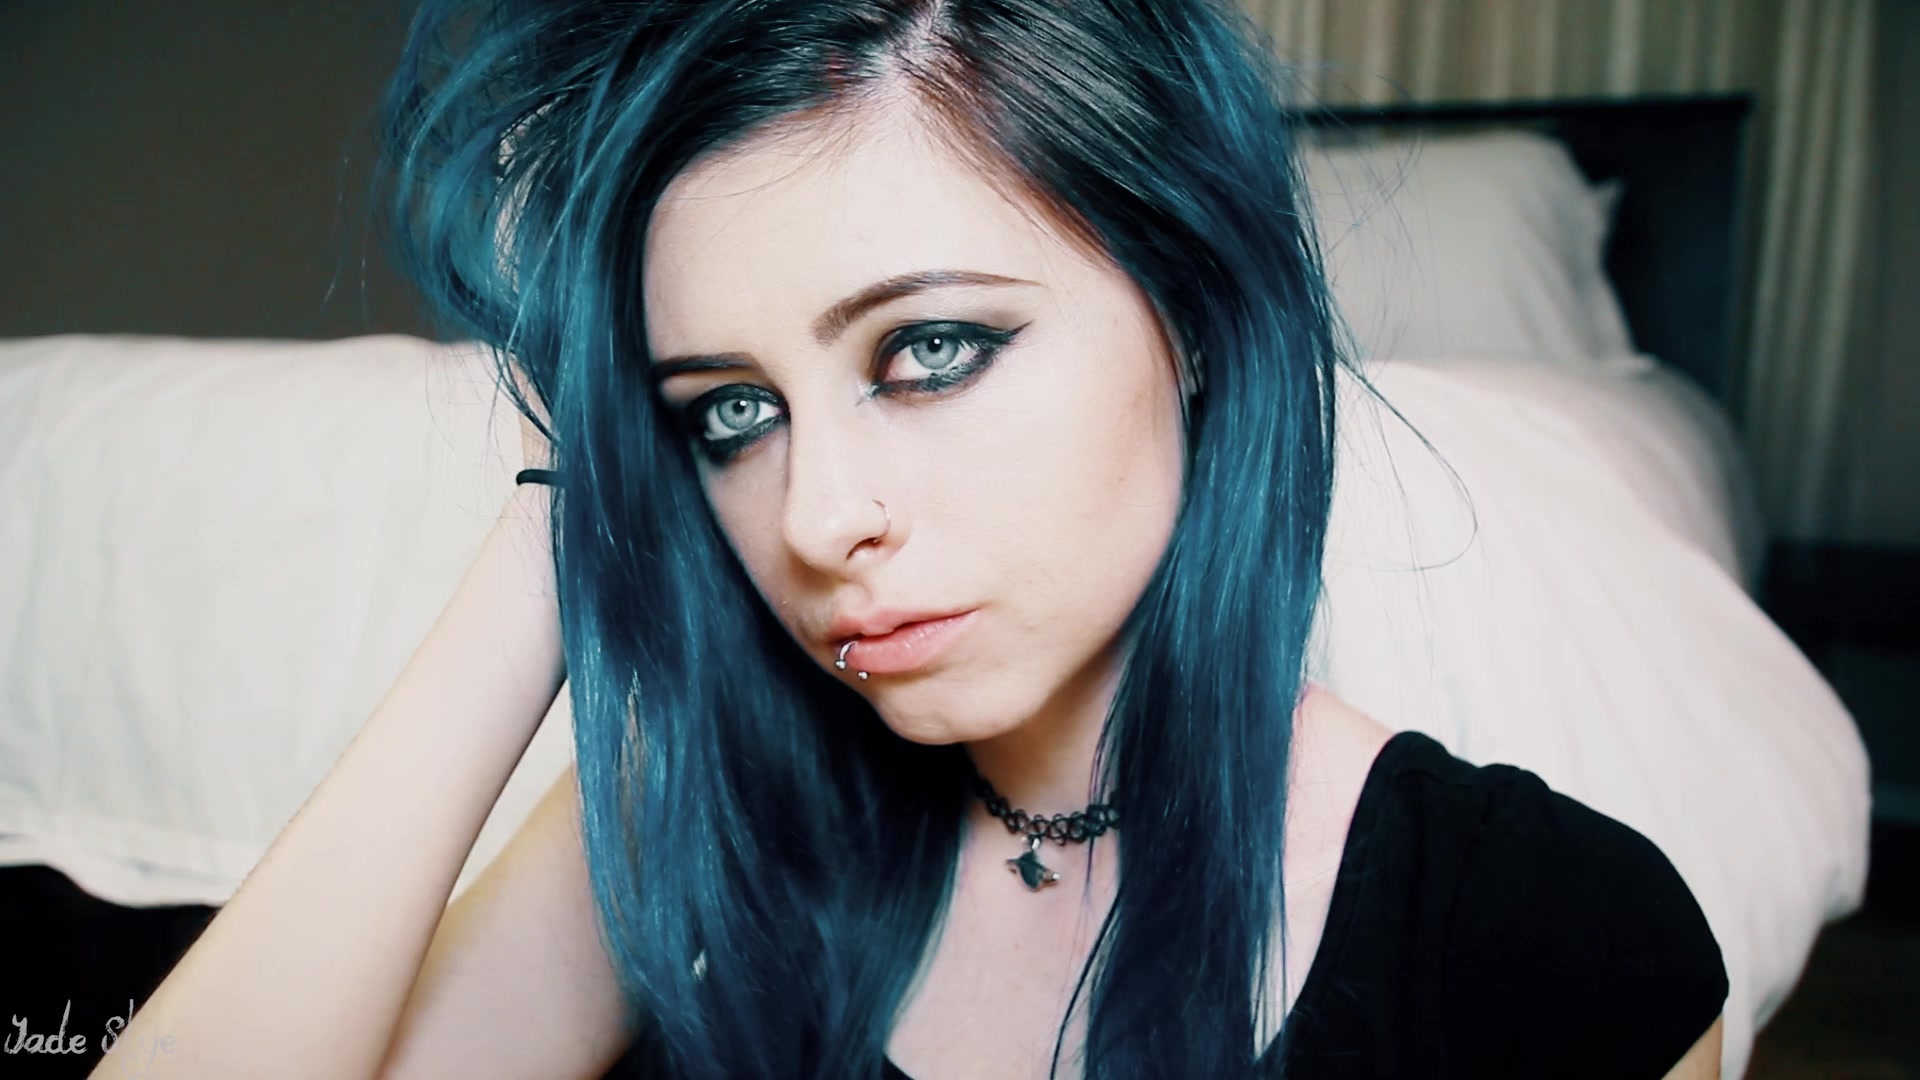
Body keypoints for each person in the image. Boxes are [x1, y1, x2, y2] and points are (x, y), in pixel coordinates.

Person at [98, 1, 1728, 1077]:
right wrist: (572, 523)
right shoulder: (696, 819)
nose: (815, 521)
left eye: (931, 350)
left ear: (1193, 315)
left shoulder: (1546, 935)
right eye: (730, 412)